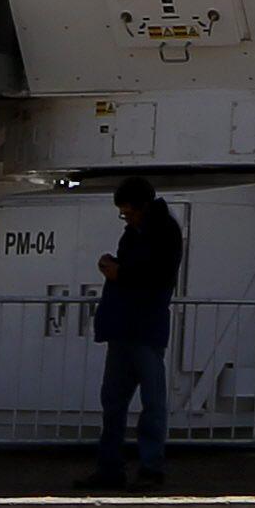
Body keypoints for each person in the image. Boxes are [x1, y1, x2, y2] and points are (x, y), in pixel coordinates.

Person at [77, 177, 184, 490]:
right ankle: (112, 467)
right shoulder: (140, 233)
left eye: (128, 212)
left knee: (149, 403)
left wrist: (120, 272)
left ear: (142, 207)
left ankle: (148, 468)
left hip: (142, 326)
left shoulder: (162, 233)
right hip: (128, 326)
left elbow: (159, 275)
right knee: (114, 403)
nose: (127, 218)